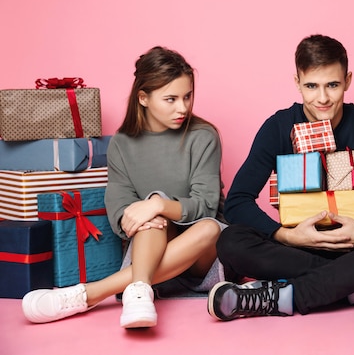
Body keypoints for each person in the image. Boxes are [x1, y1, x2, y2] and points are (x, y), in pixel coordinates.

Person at [207, 34, 354, 321]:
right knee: (231, 241)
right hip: (298, 250)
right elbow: (238, 202)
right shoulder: (278, 127)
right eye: (312, 86)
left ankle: (282, 297)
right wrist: (287, 235)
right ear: (297, 81)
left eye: (333, 85)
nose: (323, 98)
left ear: (347, 81)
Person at [22, 46, 227, 329]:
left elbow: (206, 205)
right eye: (171, 99)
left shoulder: (203, 136)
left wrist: (157, 203)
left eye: (187, 96)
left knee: (210, 227)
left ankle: (90, 293)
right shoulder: (121, 143)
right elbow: (119, 206)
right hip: (149, 249)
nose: (183, 107)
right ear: (143, 98)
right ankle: (139, 290)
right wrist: (146, 214)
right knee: (150, 221)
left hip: (201, 256)